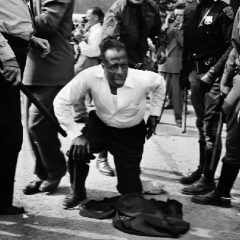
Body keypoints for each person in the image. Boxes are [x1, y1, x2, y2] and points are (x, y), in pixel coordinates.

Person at [53, 38, 166, 209]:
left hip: (130, 132)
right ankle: (77, 192)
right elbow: (60, 101)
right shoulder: (89, 75)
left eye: (124, 65)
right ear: (102, 66)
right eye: (113, 66)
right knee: (76, 152)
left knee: (130, 193)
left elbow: (160, 84)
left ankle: (131, 183)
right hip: (100, 126)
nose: (120, 72)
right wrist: (77, 135)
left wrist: (154, 114)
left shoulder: (142, 78)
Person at [97, 0, 167, 177]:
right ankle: (102, 156)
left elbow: (157, 31)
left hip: (138, 64)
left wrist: (160, 47)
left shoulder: (151, 8)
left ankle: (129, 159)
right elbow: (109, 41)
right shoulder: (118, 8)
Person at [0, 0, 50, 215]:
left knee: (8, 135)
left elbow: (9, 18)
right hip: (5, 56)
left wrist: (30, 39)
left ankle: (1, 201)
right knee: (8, 134)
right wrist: (7, 57)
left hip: (12, 51)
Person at [179, 0, 233, 196]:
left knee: (211, 127)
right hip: (195, 73)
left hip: (214, 76)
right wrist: (185, 72)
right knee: (201, 124)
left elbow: (231, 47)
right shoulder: (191, 9)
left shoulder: (223, 11)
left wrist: (212, 74)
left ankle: (208, 179)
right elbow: (187, 42)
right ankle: (202, 169)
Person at [22, 0, 75, 195]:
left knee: (38, 124)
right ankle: (43, 172)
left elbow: (48, 23)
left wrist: (14, 17)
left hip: (53, 68)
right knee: (31, 128)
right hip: (33, 69)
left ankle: (55, 170)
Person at [191, 6, 240, 207]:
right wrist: (226, 80)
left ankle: (221, 193)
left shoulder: (226, 10)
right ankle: (221, 193)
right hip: (235, 76)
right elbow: (235, 48)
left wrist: (231, 97)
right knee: (233, 141)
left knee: (235, 141)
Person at [158, 3, 184, 127]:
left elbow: (184, 43)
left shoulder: (187, 27)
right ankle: (156, 117)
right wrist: (166, 25)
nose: (178, 17)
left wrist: (175, 30)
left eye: (181, 15)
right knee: (160, 94)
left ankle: (178, 119)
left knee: (177, 96)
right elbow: (161, 40)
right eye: (176, 14)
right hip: (164, 64)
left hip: (177, 66)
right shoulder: (169, 26)